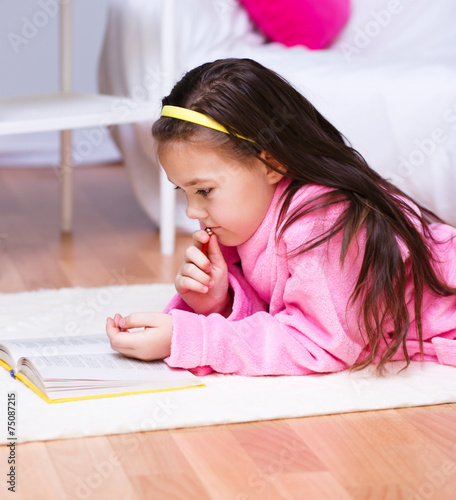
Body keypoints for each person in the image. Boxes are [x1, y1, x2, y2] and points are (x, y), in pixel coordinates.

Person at [106, 58, 456, 376]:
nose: (192, 211)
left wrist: (193, 338)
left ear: (271, 163)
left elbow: (316, 342)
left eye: (204, 191)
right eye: (182, 191)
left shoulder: (323, 222)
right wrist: (221, 300)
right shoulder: (251, 219)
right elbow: (280, 310)